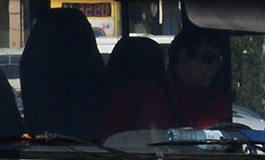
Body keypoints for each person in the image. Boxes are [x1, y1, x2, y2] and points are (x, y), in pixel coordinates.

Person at [96, 25, 229, 138]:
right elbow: (107, 146)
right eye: (209, 58)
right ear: (183, 56)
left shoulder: (215, 102)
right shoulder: (138, 95)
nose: (215, 66)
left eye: (219, 60)